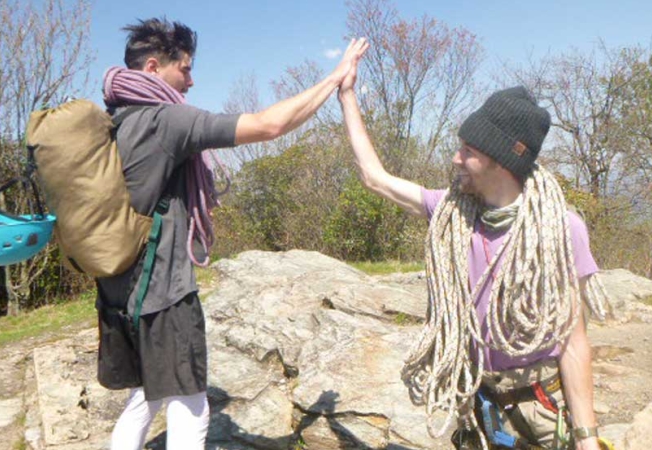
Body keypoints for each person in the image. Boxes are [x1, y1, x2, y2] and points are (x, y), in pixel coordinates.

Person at [95, 17, 368, 450]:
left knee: (144, 397)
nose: (190, 79)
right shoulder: (165, 122)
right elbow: (268, 125)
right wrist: (334, 79)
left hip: (117, 293)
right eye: (183, 68)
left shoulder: (113, 120)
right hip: (163, 294)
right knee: (192, 405)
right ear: (152, 69)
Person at [337, 60, 609, 449]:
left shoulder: (560, 229)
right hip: (480, 403)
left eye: (468, 150)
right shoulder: (451, 211)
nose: (455, 158)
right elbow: (374, 178)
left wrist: (586, 437)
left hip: (541, 405)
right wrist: (347, 95)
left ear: (500, 160)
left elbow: (573, 340)